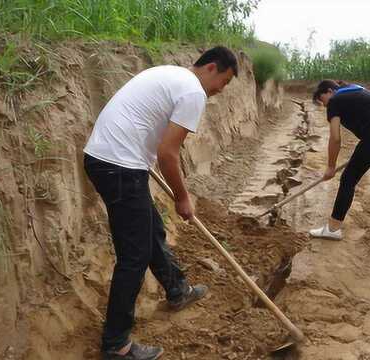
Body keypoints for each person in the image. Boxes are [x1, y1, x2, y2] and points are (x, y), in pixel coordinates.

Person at [83, 46, 238, 360]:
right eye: (224, 81)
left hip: (108, 158)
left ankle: (177, 290)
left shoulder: (170, 74)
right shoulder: (193, 92)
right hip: (120, 166)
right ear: (212, 68)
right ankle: (116, 344)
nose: (221, 90)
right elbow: (169, 153)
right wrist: (183, 198)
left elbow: (142, 121)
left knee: (150, 229)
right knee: (134, 256)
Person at [309, 80, 370, 256]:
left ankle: (333, 230)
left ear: (330, 91)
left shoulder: (335, 101)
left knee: (348, 179)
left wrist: (331, 166)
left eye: (323, 101)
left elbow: (335, 138)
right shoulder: (362, 91)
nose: (325, 106)